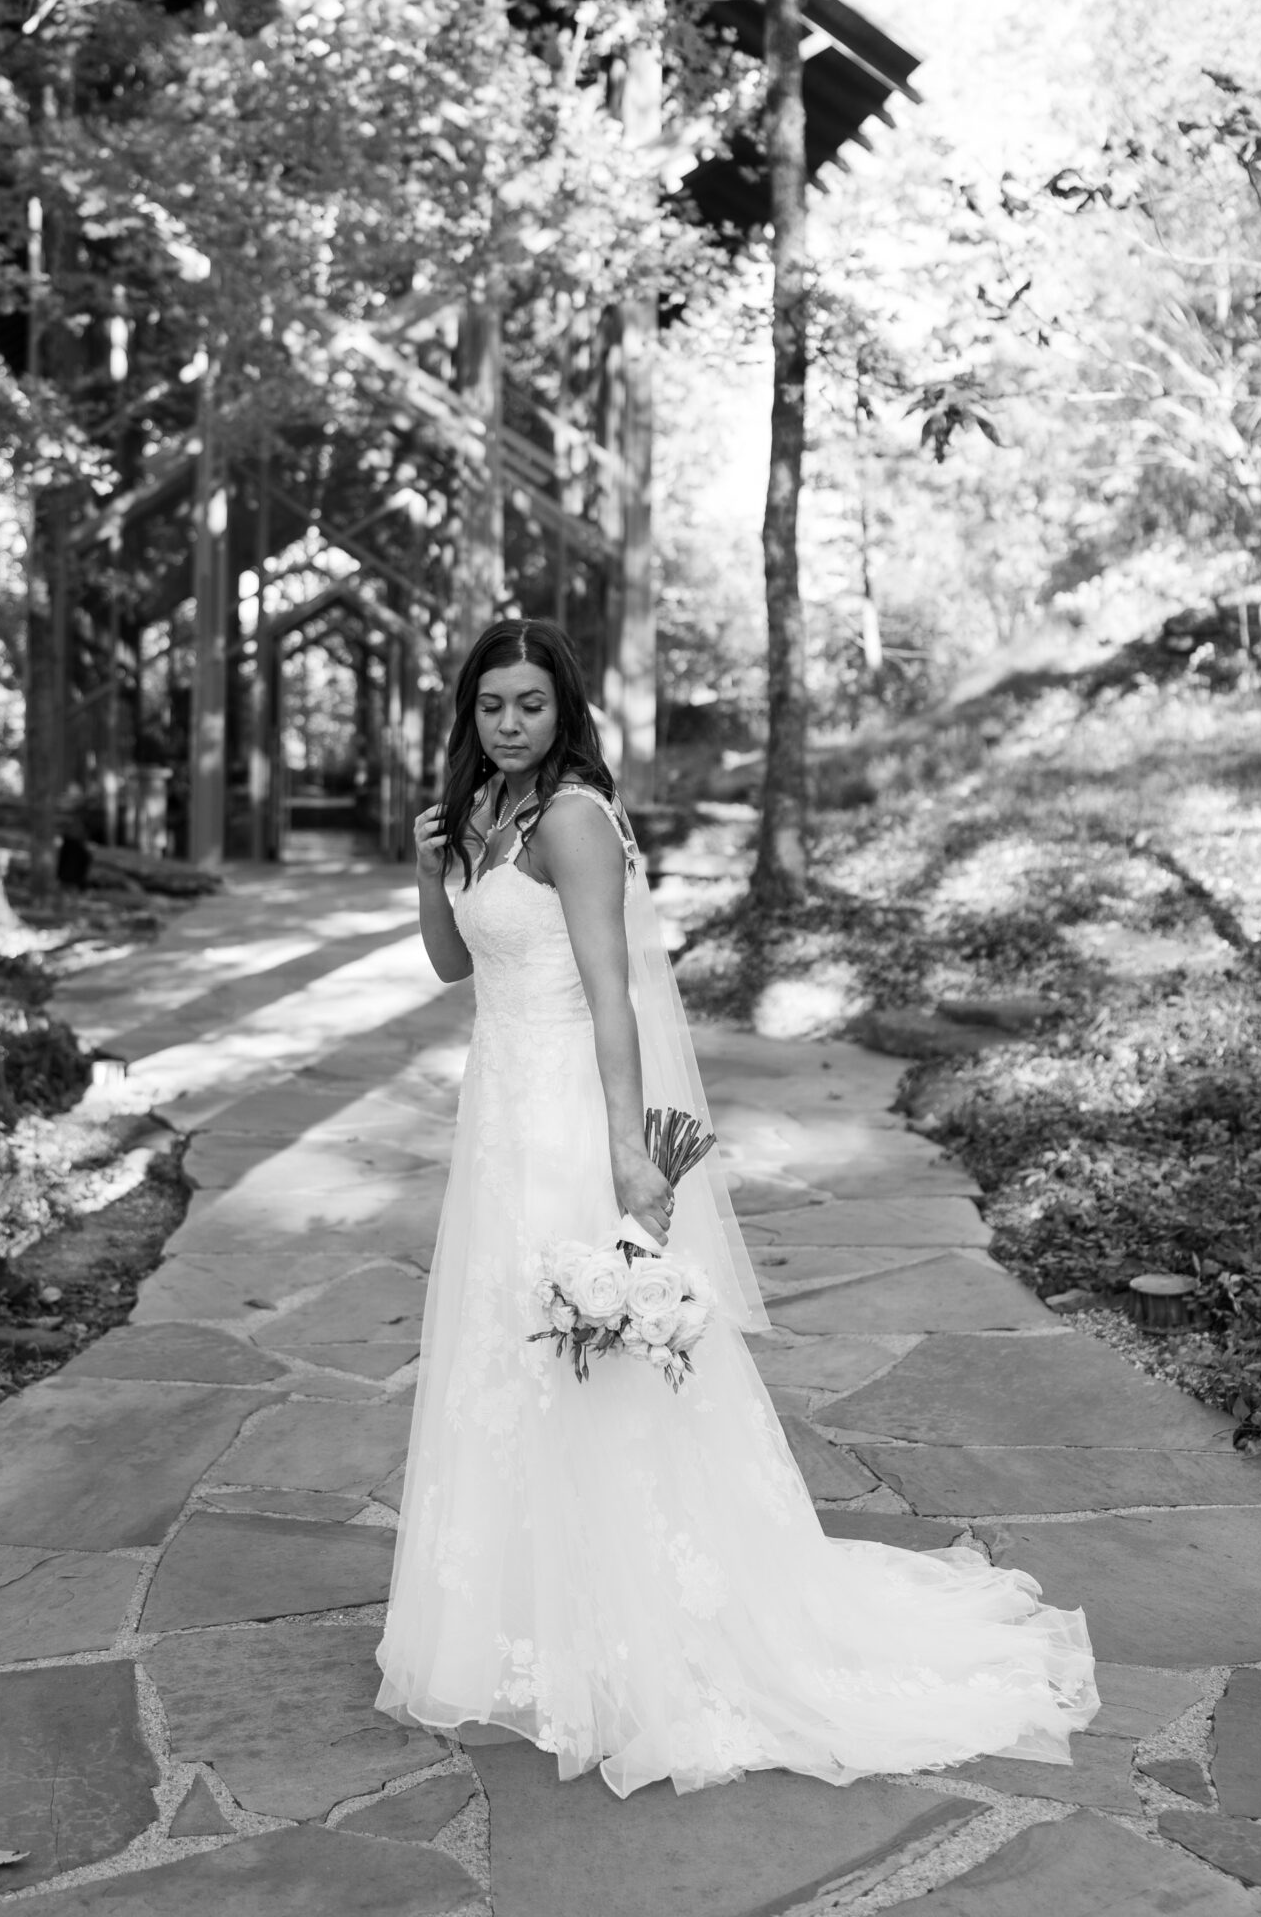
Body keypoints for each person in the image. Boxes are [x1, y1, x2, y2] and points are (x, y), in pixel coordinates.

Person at [375, 617, 1097, 1799]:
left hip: (565, 1112)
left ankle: (645, 1631)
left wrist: (629, 1158)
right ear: (470, 713)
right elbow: (457, 970)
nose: (509, 723)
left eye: (530, 705)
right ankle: (528, 1617)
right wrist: (425, 867)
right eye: (491, 705)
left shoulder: (569, 819)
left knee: (591, 1357)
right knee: (506, 1362)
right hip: (496, 1113)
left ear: (565, 712)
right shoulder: (479, 818)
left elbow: (613, 996)